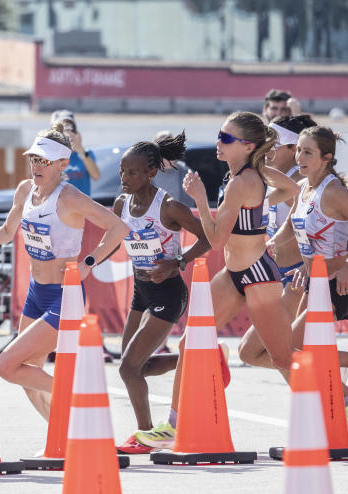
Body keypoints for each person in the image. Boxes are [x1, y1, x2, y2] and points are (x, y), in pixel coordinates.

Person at [136, 112, 300, 450]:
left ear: (248, 145)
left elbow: (216, 239)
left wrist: (197, 197)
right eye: (219, 135)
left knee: (282, 357)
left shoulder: (243, 181)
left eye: (225, 138)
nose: (217, 143)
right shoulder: (242, 173)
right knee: (189, 342)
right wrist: (261, 176)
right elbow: (291, 187)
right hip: (235, 274)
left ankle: (333, 404)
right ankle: (173, 424)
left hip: (258, 276)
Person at [0, 127, 127, 423]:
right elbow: (8, 233)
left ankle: (77, 396)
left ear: (62, 164)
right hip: (37, 293)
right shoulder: (24, 190)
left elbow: (119, 228)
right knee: (26, 375)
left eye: (45, 161)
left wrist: (89, 262)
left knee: (6, 366)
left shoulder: (70, 197)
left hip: (64, 296)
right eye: (34, 159)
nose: (37, 166)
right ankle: (63, 435)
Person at [110, 133, 211, 454]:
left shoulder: (168, 206)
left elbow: (208, 238)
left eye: (133, 172)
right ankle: (193, 363)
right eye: (122, 171)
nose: (125, 178)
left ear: (151, 173)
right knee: (132, 367)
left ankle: (145, 435)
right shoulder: (121, 203)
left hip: (167, 291)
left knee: (128, 368)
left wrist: (177, 262)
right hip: (141, 290)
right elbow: (111, 238)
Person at [241, 125, 348, 371]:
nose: (299, 157)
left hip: (336, 283)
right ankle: (335, 398)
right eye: (299, 150)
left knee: (295, 348)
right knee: (295, 352)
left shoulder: (334, 192)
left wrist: (346, 267)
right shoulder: (303, 188)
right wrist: (270, 245)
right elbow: (290, 225)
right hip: (313, 280)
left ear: (327, 158)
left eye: (308, 152)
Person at [237, 114, 317, 367]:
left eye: (273, 145)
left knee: (258, 351)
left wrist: (269, 244)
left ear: (293, 149)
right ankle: (332, 396)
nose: (267, 149)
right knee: (279, 354)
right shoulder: (274, 179)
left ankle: (334, 394)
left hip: (295, 278)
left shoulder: (298, 181)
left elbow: (296, 226)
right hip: (276, 276)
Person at [55, 116, 100, 196]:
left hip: (83, 205)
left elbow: (96, 176)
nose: (69, 134)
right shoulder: (52, 156)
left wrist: (80, 149)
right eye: (65, 130)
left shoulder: (87, 153)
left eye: (72, 130)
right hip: (61, 204)